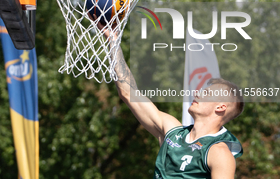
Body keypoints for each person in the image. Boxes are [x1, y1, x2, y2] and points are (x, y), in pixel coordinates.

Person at [98, 21, 244, 179]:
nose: (199, 93)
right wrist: (113, 41)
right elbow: (128, 93)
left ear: (221, 107)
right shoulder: (173, 132)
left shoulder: (219, 152)